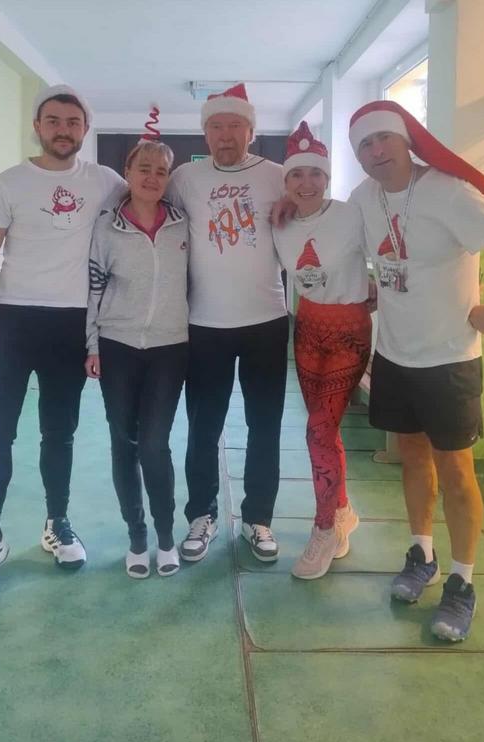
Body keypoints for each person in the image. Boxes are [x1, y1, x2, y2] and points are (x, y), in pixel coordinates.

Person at [347, 100, 484, 640]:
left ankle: (462, 582)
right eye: (364, 144)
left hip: (450, 359)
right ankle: (422, 555)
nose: (376, 150)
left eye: (384, 138)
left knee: (457, 472)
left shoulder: (449, 193)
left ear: (407, 139)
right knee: (411, 457)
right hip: (395, 354)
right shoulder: (364, 197)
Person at [0, 84, 126, 601]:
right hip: (12, 321)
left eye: (73, 122)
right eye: (53, 121)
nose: (63, 130)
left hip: (70, 324)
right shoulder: (10, 182)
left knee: (60, 432)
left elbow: (154, 192)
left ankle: (57, 523)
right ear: (38, 126)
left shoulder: (105, 181)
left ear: (85, 129)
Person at [167, 84, 288, 563]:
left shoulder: (278, 176)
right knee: (203, 426)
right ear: (205, 132)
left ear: (251, 132)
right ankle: (201, 515)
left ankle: (258, 518)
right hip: (204, 324)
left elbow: (310, 218)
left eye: (235, 125)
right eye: (216, 126)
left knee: (265, 425)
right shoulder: (185, 177)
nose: (225, 135)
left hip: (266, 321)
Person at [85, 136, 189, 579]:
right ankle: (136, 537)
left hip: (170, 347)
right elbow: (93, 289)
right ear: (127, 173)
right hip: (118, 346)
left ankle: (165, 537)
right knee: (123, 442)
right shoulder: (107, 227)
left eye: (161, 170)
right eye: (143, 168)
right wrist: (92, 345)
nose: (152, 177)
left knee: (154, 443)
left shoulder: (183, 225)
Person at [272, 121, 372, 579]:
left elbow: (390, 253)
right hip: (307, 328)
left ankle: (324, 528)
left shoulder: (352, 215)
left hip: (348, 330)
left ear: (328, 177)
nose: (306, 183)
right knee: (324, 430)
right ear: (286, 181)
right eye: (296, 174)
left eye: (315, 173)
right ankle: (343, 510)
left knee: (317, 430)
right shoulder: (281, 222)